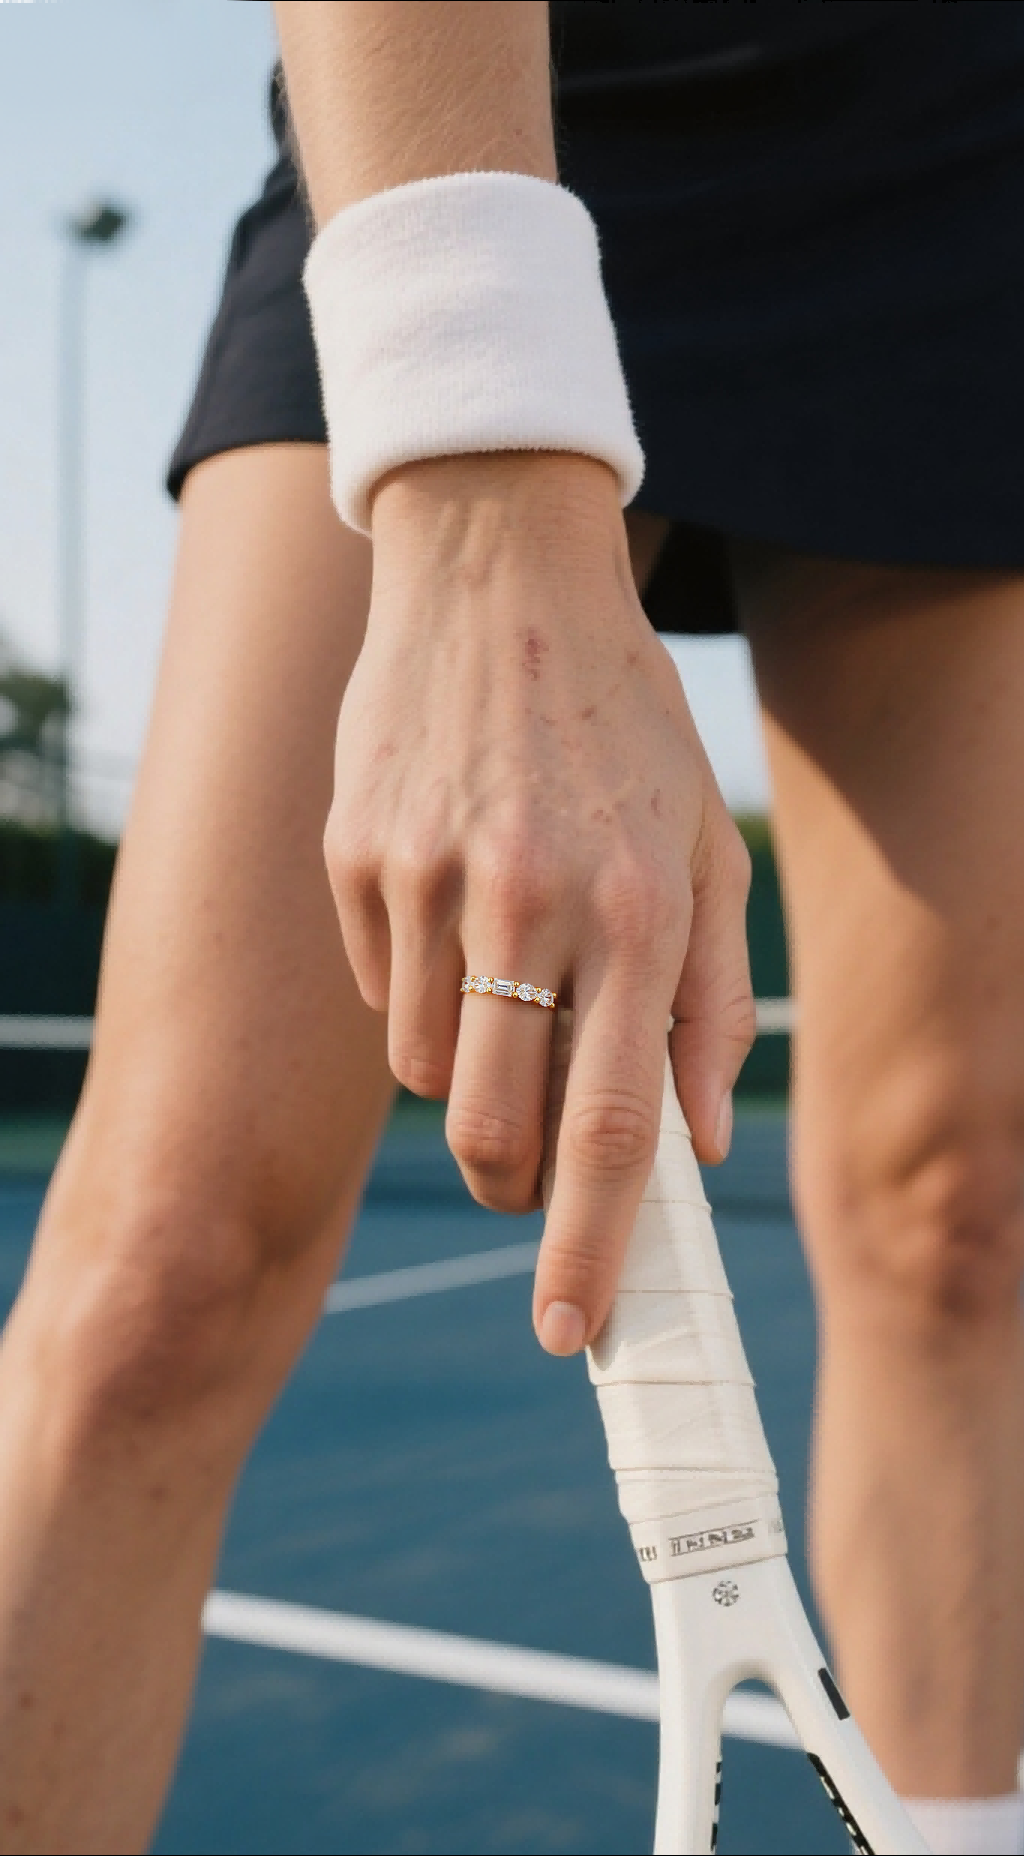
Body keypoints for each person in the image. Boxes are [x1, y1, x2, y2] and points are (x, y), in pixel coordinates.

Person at [1, 4, 1024, 1851]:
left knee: (964, 1217)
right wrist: (473, 465)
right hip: (502, 81)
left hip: (962, 148)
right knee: (165, 1272)